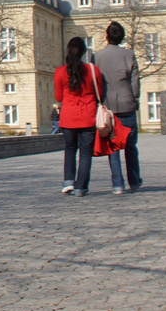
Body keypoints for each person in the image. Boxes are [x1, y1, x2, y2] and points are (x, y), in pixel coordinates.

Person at [94, 20, 143, 194]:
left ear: (107, 36)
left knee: (113, 146)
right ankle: (134, 181)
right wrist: (135, 97)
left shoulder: (97, 56)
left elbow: (96, 82)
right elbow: (135, 82)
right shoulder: (129, 55)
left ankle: (117, 184)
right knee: (130, 145)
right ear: (122, 37)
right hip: (126, 101)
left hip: (108, 105)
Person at [53, 36, 104, 197]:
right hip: (88, 116)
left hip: (68, 118)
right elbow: (99, 93)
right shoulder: (93, 70)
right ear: (83, 52)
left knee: (69, 150)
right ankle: (81, 186)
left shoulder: (60, 72)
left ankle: (68, 181)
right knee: (85, 153)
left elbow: (59, 97)